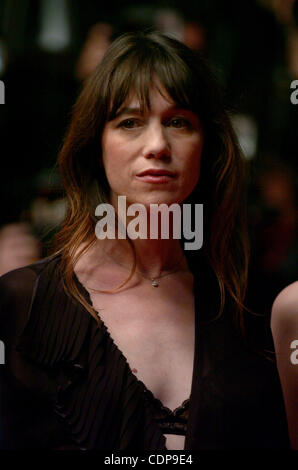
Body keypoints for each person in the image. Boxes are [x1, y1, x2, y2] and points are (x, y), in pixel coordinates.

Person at [0, 31, 290, 450]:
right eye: (130, 122)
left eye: (178, 122)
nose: (157, 145)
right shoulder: (22, 303)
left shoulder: (252, 308)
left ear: (207, 147)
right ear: (95, 146)